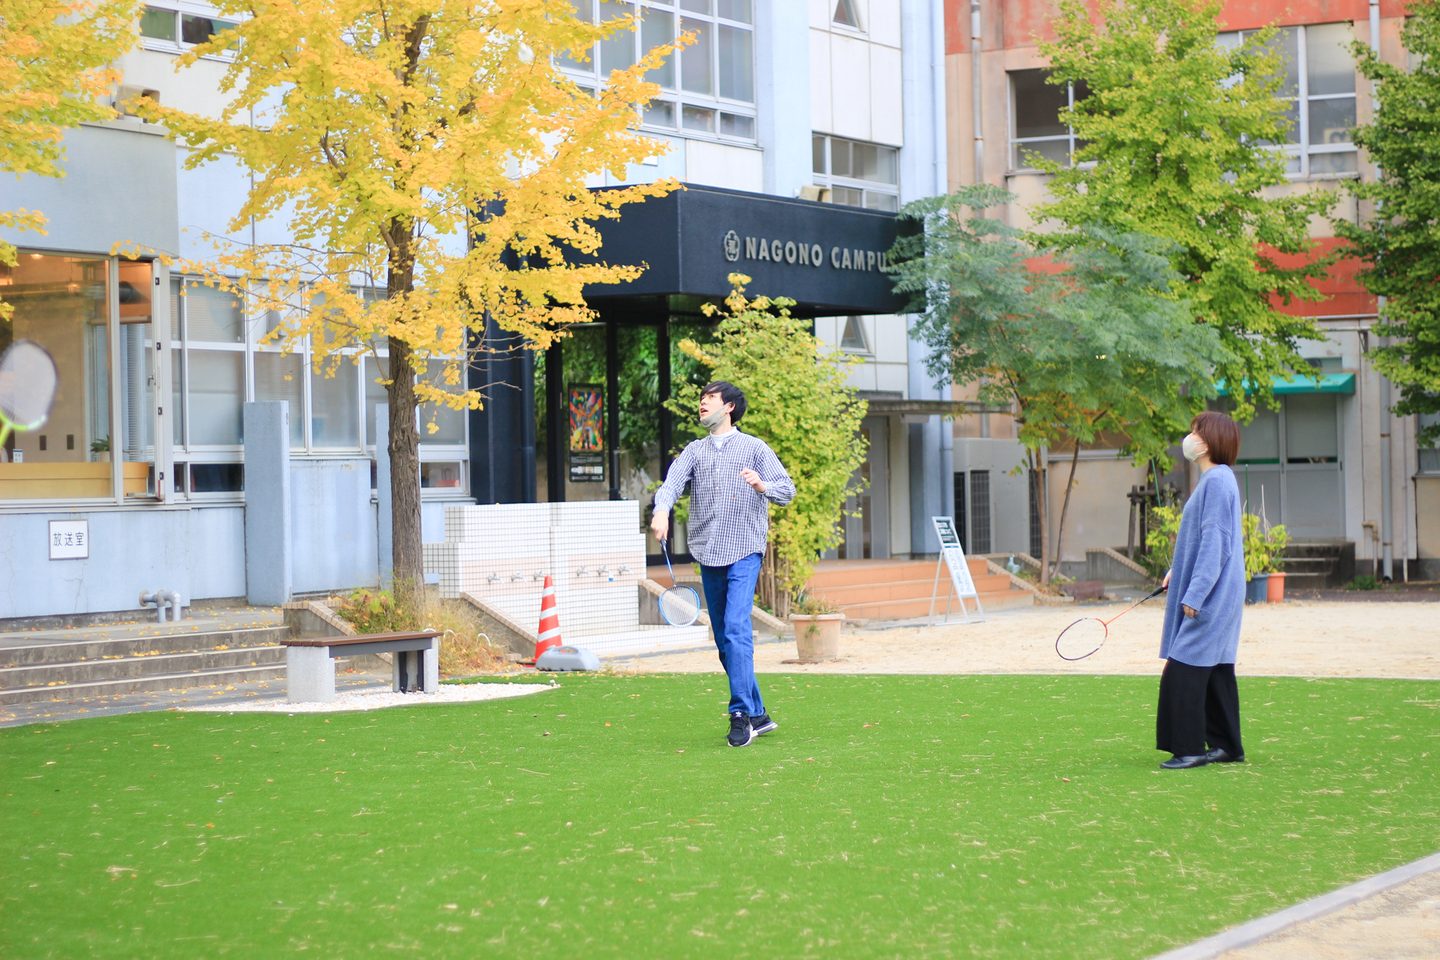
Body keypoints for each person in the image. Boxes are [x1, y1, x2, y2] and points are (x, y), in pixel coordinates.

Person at [650, 381, 796, 748]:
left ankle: (740, 714)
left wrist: (762, 486)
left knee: (735, 628)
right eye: (701, 398)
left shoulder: (755, 448)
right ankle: (759, 714)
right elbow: (671, 484)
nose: (703, 403)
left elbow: (787, 490)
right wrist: (661, 511)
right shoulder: (694, 451)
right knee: (723, 641)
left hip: (746, 549)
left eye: (710, 398)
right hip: (708, 552)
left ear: (728, 407)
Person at [1156, 411, 1247, 770]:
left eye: (1196, 432)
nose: (1190, 437)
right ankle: (1227, 746)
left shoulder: (1217, 481)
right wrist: (1176, 572)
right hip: (1222, 591)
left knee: (1184, 668)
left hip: (1213, 594)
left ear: (1209, 442)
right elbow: (1206, 541)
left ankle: (1190, 748)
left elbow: (1216, 543)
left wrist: (1195, 594)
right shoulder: (1217, 479)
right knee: (1217, 668)